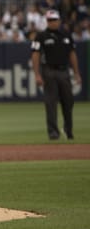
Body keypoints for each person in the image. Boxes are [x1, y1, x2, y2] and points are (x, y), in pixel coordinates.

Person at [31, 10, 81, 140]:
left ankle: (68, 129)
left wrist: (76, 73)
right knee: (50, 102)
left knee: (68, 101)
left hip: (64, 71)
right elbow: (35, 55)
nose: (52, 22)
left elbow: (72, 54)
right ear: (47, 21)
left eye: (54, 20)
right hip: (48, 71)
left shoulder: (66, 35)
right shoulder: (41, 36)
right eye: (49, 20)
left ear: (59, 20)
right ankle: (53, 132)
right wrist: (37, 74)